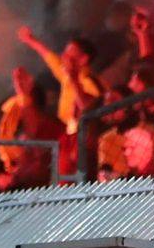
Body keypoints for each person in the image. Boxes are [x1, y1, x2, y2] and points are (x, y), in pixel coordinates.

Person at [17, 26, 105, 177]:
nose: (64, 56)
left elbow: (88, 108)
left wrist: (74, 80)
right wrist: (30, 40)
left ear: (83, 59)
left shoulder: (90, 84)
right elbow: (49, 56)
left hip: (78, 140)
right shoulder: (66, 77)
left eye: (69, 53)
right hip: (62, 134)